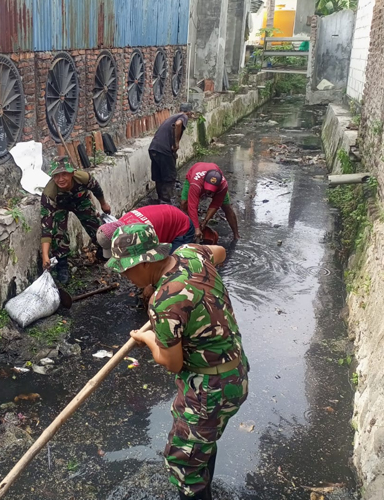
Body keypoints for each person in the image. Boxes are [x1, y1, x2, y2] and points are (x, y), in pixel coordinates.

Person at [106, 224, 249, 500]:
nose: (123, 274)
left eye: (126, 268)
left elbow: (171, 362)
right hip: (236, 371)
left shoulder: (164, 303)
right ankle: (204, 483)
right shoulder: (190, 252)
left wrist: (145, 339)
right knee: (203, 442)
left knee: (183, 463)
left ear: (145, 262)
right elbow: (218, 252)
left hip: (208, 389)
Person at [40, 156, 111, 284]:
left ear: (72, 173)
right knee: (58, 230)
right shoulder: (49, 194)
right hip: (60, 206)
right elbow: (46, 226)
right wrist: (45, 254)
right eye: (56, 175)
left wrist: (103, 204)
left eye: (64, 174)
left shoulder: (83, 178)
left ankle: (102, 249)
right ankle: (62, 265)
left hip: (80, 200)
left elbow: (97, 189)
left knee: (94, 222)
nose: (60, 179)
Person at [96, 204, 195, 258]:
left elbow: (153, 258)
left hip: (182, 227)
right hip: (170, 215)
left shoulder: (138, 236)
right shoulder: (121, 224)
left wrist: (150, 284)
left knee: (173, 265)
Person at [149, 104, 196, 205]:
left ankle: (160, 199)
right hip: (164, 149)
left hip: (154, 148)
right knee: (170, 176)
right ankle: (165, 202)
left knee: (159, 175)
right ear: (188, 112)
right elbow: (178, 124)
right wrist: (176, 143)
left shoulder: (171, 117)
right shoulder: (183, 116)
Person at [181, 162, 240, 241]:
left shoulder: (223, 185)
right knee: (184, 204)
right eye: (208, 190)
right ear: (204, 181)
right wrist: (196, 227)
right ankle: (186, 231)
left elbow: (215, 205)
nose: (209, 193)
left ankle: (236, 235)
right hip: (193, 175)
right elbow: (192, 206)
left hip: (216, 185)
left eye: (212, 191)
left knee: (227, 207)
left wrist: (205, 221)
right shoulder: (196, 184)